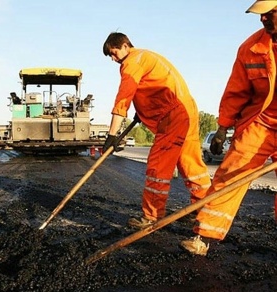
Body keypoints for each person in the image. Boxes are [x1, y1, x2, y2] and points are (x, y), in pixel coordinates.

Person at [181, 0, 277, 256]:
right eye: (262, 15)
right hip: (261, 122)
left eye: (270, 14)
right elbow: (236, 92)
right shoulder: (251, 49)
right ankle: (203, 236)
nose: (263, 20)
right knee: (230, 174)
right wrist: (222, 128)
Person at [102, 32, 211, 228]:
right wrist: (141, 112)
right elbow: (152, 88)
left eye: (114, 52)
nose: (113, 58)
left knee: (157, 166)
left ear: (125, 45)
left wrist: (111, 135)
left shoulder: (132, 62)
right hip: (187, 110)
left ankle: (151, 216)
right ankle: (203, 208)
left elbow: (123, 99)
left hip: (173, 116)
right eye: (110, 55)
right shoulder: (147, 56)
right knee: (190, 164)